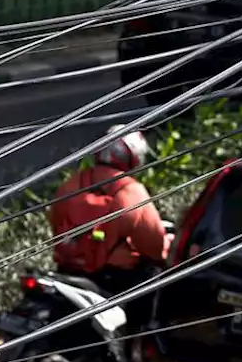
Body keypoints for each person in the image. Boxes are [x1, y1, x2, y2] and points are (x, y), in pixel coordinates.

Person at [48, 125, 171, 336]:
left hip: (68, 270)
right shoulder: (132, 192)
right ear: (133, 156)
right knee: (155, 275)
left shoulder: (72, 184)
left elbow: (55, 223)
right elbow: (154, 246)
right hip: (113, 278)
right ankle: (136, 341)